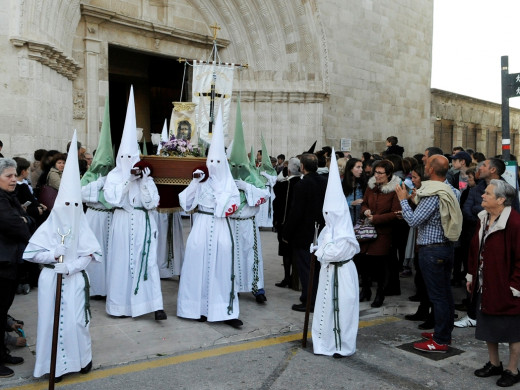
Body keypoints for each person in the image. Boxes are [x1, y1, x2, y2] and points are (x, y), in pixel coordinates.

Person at [23, 131, 102, 380]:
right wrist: (51, 255)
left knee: (78, 322)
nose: (71, 209)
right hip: (51, 280)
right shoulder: (47, 227)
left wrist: (72, 267)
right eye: (67, 205)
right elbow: (31, 253)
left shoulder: (82, 224)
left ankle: (82, 359)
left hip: (74, 279)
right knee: (51, 323)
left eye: (75, 205)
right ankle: (53, 366)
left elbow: (90, 253)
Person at [103, 87, 166, 320]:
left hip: (142, 222)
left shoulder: (145, 177)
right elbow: (112, 200)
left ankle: (153, 305)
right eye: (126, 158)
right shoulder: (113, 176)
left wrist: (145, 181)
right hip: (121, 221)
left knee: (147, 261)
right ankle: (120, 306)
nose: (129, 162)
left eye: (133, 158)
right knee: (121, 263)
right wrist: (128, 180)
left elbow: (153, 203)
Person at [177, 108, 242, 327]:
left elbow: (235, 203)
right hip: (202, 225)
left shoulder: (228, 184)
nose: (213, 167)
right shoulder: (200, 180)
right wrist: (196, 182)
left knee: (222, 267)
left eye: (217, 163)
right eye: (210, 163)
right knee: (198, 265)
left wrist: (221, 202)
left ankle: (224, 310)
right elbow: (185, 203)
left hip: (221, 226)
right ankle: (198, 308)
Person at [396, 154, 463, 353]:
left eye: (426, 163)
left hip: (432, 249)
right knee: (445, 294)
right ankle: (444, 332)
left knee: (438, 296)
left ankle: (440, 340)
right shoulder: (451, 190)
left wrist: (403, 201)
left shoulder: (432, 193)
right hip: (446, 246)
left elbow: (414, 221)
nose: (423, 165)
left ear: (432, 170)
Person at [467, 180, 520, 387]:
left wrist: (515, 287)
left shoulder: (514, 223)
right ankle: (494, 363)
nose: (482, 196)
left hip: (506, 287)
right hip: (486, 282)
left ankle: (513, 369)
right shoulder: (484, 218)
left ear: (501, 199)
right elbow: (475, 250)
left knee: (513, 330)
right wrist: (471, 276)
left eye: (487, 194)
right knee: (488, 323)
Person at [311, 149, 360, 358]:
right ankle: (324, 343)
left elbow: (335, 252)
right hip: (327, 274)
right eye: (326, 213)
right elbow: (321, 245)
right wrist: (317, 248)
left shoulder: (345, 231)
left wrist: (320, 251)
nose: (328, 216)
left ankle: (342, 345)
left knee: (343, 309)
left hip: (342, 273)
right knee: (326, 308)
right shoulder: (328, 228)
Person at [228, 101, 270, 303]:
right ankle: (233, 286)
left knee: (251, 257)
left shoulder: (252, 178)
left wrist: (246, 187)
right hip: (230, 224)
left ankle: (257, 288)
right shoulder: (226, 179)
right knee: (232, 259)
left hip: (248, 225)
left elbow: (264, 195)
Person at [283, 153, 327, 312]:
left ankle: (309, 301)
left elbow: (296, 212)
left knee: (306, 269)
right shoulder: (324, 182)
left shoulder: (302, 185)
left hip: (304, 234)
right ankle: (316, 298)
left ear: (302, 166)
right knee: (316, 268)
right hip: (320, 231)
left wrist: (287, 233)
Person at [0, 158, 32, 378]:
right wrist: (24, 220)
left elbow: (23, 220)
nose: (14, 180)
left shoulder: (8, 196)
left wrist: (24, 219)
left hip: (9, 261)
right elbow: (13, 223)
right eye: (8, 176)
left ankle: (2, 353)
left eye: (14, 175)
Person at [80, 97, 114, 299]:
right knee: (94, 252)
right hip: (94, 216)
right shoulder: (89, 176)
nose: (104, 169)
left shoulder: (114, 176)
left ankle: (108, 287)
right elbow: (81, 195)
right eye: (101, 165)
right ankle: (94, 288)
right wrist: (98, 183)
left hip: (110, 217)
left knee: (109, 254)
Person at [357, 160, 401, 308]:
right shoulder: (371, 186)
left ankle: (380, 294)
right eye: (376, 172)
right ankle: (366, 290)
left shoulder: (395, 189)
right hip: (367, 231)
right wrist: (365, 211)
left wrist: (376, 218)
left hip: (383, 232)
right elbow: (364, 203)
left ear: (388, 174)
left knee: (380, 265)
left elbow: (396, 213)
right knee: (364, 261)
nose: (377, 175)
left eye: (380, 173)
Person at [273, 157, 301, 289]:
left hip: (285, 223)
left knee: (286, 252)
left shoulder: (284, 184)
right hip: (298, 224)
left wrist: (277, 222)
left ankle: (288, 277)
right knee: (295, 252)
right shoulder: (302, 182)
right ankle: (295, 279)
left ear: (288, 170)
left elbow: (277, 203)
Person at [256, 136, 277, 230]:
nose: (257, 157)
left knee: (268, 209)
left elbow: (274, 180)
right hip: (261, 190)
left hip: (268, 190)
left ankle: (269, 224)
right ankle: (260, 224)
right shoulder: (258, 167)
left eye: (258, 155)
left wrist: (266, 175)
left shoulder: (272, 170)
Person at [342, 158, 365, 225]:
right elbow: (336, 203)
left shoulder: (362, 183)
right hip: (346, 221)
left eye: (361, 167)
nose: (361, 170)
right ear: (350, 168)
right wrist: (351, 203)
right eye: (358, 167)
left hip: (359, 221)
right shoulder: (341, 183)